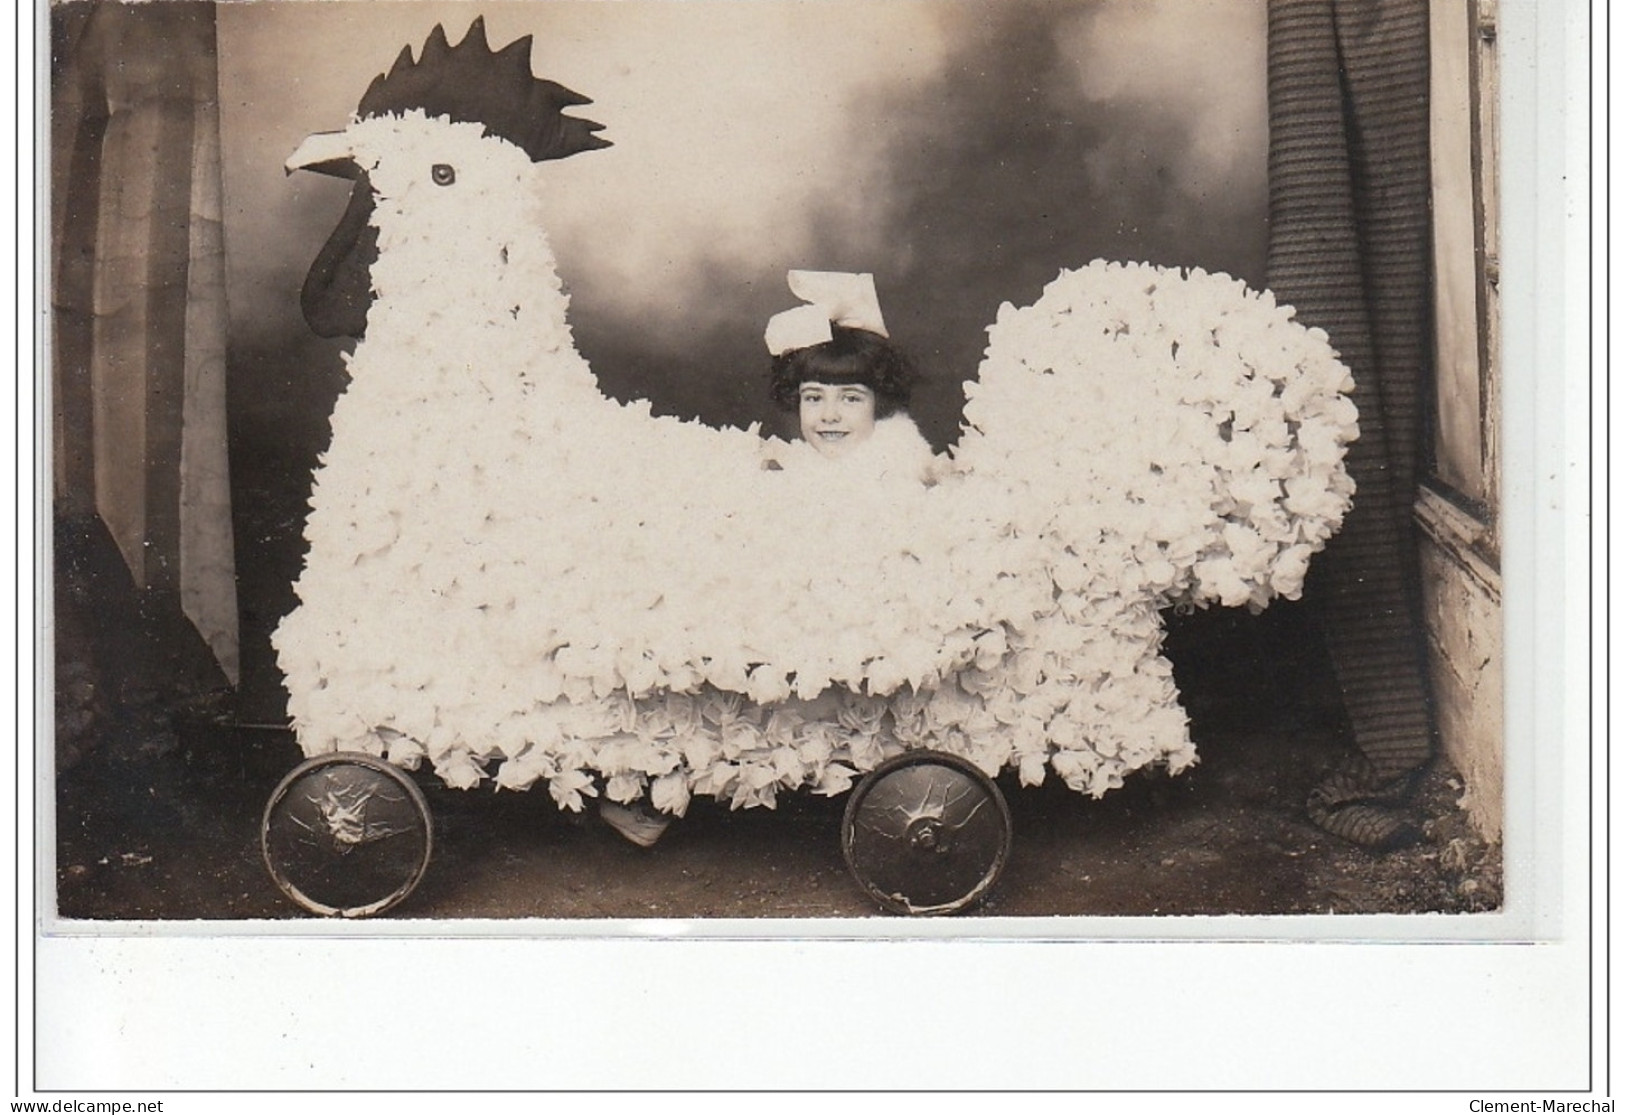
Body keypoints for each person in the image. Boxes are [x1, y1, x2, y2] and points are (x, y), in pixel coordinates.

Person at [599, 270, 935, 848]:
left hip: (852, 618)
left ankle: (658, 787)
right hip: (818, 593)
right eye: (813, 399)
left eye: (850, 399)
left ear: (880, 408)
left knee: (700, 632)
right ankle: (657, 780)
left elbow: (841, 543)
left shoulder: (891, 466)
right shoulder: (836, 461)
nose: (828, 415)